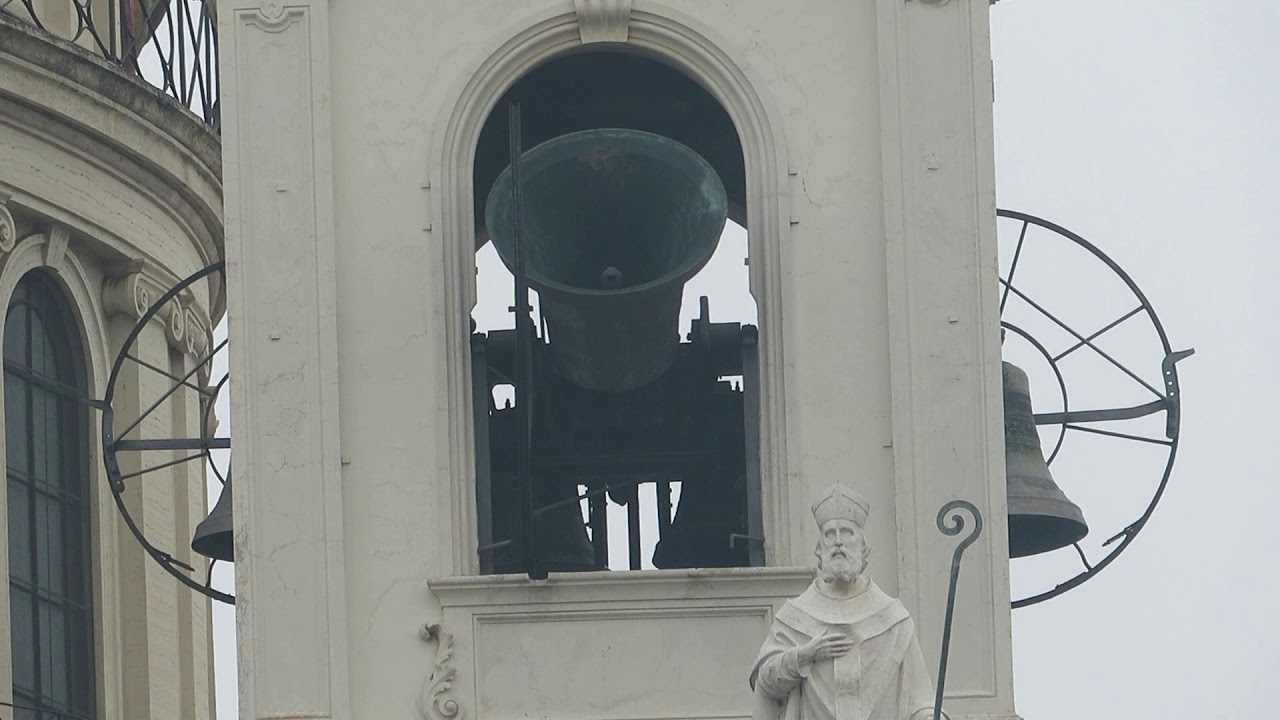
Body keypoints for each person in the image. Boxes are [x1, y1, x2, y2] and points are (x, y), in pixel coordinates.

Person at [750, 485, 940, 720]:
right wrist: (805, 655)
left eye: (847, 532)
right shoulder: (796, 616)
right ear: (820, 548)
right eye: (830, 534)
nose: (838, 542)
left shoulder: (894, 621)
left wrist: (932, 716)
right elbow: (767, 683)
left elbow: (920, 701)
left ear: (862, 545)